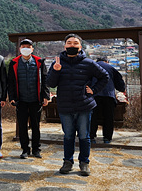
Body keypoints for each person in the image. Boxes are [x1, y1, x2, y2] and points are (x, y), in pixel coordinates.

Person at [47, 33, 109, 176]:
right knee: (68, 136)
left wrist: (94, 90)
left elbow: (104, 76)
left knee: (84, 136)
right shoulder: (57, 62)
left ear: (80, 46)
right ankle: (67, 162)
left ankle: (84, 163)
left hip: (84, 105)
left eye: (75, 43)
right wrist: (56, 71)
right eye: (69, 43)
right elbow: (50, 83)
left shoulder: (88, 63)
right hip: (65, 105)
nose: (72, 45)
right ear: (64, 46)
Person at [7, 39, 50, 159]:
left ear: (32, 49)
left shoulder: (39, 62)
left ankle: (36, 149)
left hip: (36, 99)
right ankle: (25, 149)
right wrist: (12, 97)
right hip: (21, 100)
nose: (25, 48)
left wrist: (45, 96)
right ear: (20, 49)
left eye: (28, 46)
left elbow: (45, 80)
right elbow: (10, 81)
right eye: (23, 46)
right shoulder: (14, 63)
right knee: (22, 126)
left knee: (36, 126)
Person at [90, 58, 126, 144]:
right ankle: (107, 138)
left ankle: (91, 137)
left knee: (93, 117)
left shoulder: (91, 67)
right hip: (108, 95)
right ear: (107, 62)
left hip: (94, 95)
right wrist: (122, 89)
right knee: (108, 117)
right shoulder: (111, 68)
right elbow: (119, 82)